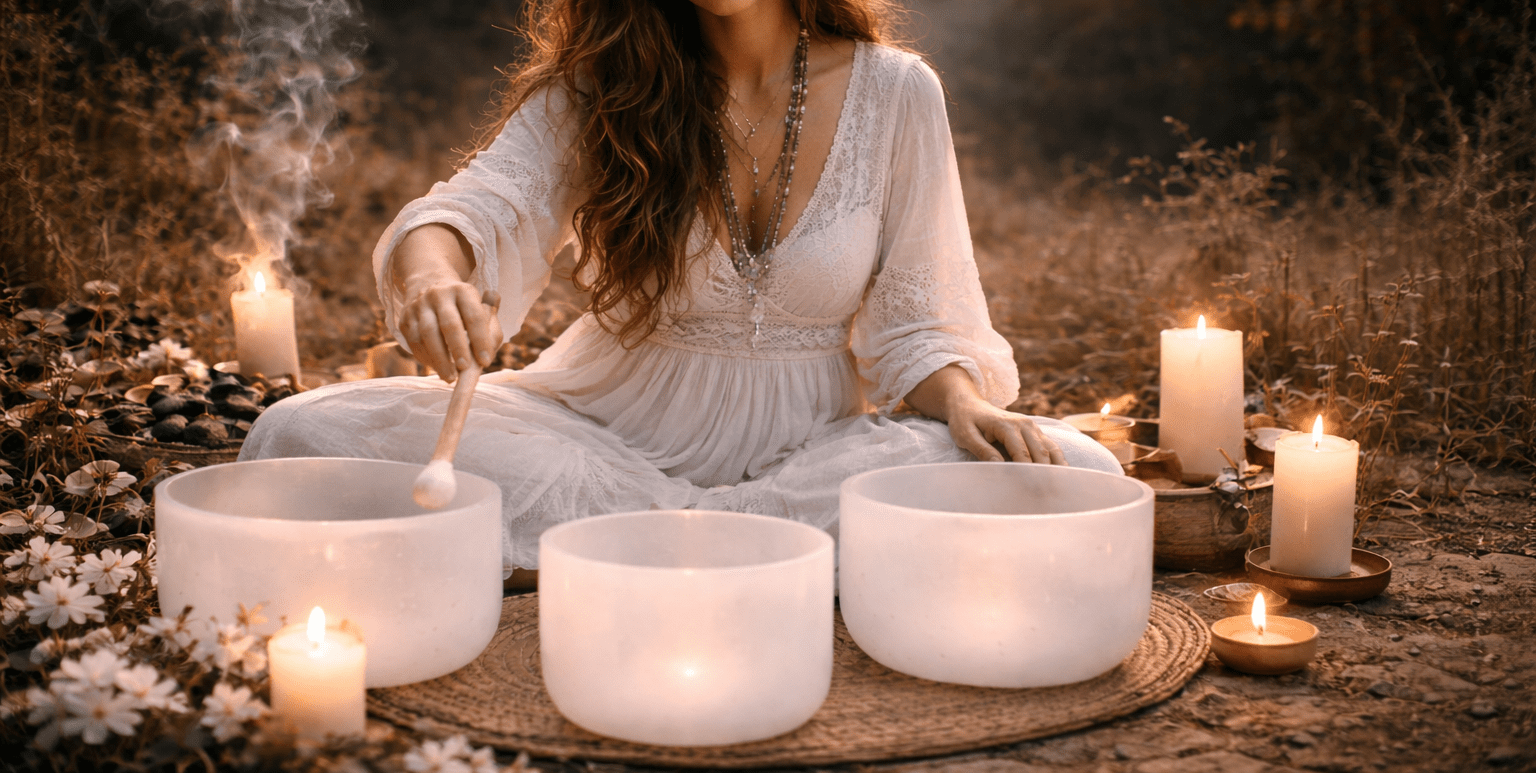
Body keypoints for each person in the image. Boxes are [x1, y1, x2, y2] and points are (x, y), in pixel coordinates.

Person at [239, 0, 1121, 580]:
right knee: (300, 429)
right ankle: (747, 551)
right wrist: (433, 279)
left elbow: (919, 317)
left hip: (812, 456)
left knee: (1079, 467)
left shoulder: (899, 93)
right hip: (599, 432)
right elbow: (472, 209)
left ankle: (627, 546)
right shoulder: (605, 82)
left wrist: (962, 399)